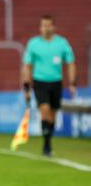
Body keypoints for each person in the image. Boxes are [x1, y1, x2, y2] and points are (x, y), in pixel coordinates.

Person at [22, 15, 76, 157]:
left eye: (48, 25)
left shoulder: (62, 43)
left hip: (56, 82)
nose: (46, 28)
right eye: (43, 25)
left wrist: (72, 83)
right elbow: (27, 66)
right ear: (40, 28)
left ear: (54, 27)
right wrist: (26, 87)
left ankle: (48, 142)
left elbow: (70, 63)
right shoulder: (33, 44)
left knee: (52, 114)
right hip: (39, 82)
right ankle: (46, 145)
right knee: (44, 110)